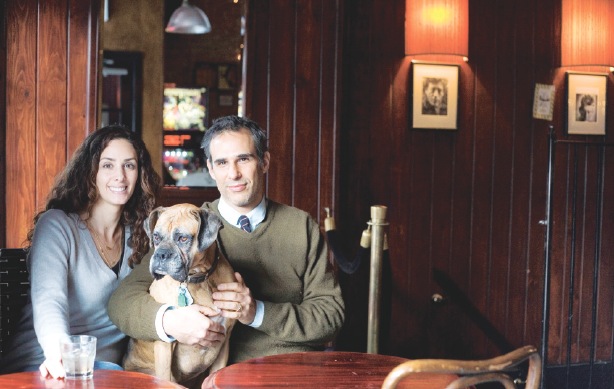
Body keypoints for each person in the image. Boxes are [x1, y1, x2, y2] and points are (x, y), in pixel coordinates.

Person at [107, 115, 345, 385]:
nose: (233, 173)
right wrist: (170, 322)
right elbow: (121, 303)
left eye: (243, 159)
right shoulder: (187, 226)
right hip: (225, 380)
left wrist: (257, 312)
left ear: (264, 162)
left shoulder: (301, 226)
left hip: (292, 373)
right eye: (222, 162)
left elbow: (331, 316)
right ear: (210, 168)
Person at [0, 125, 161, 379]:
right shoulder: (58, 225)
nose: (120, 176)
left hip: (108, 372)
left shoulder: (143, 234)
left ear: (140, 173)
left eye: (129, 165)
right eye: (108, 165)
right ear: (90, 171)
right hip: (44, 364)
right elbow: (48, 299)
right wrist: (58, 353)